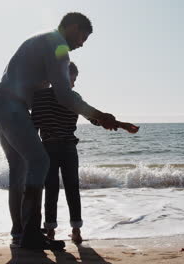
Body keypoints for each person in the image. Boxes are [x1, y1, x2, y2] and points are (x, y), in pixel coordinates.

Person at [0, 12, 118, 250]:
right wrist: (100, 116)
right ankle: (31, 234)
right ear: (74, 27)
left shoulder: (41, 38)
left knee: (19, 169)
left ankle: (20, 233)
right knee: (39, 161)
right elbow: (64, 96)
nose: (81, 44)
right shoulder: (57, 45)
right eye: (82, 37)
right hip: (11, 106)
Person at [31, 62, 139, 245]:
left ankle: (50, 231)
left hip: (48, 147)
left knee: (51, 190)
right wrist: (121, 125)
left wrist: (30, 153)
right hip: (67, 149)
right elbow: (95, 118)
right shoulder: (72, 98)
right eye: (73, 79)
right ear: (63, 77)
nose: (74, 83)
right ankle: (76, 231)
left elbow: (34, 125)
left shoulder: (40, 97)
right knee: (72, 189)